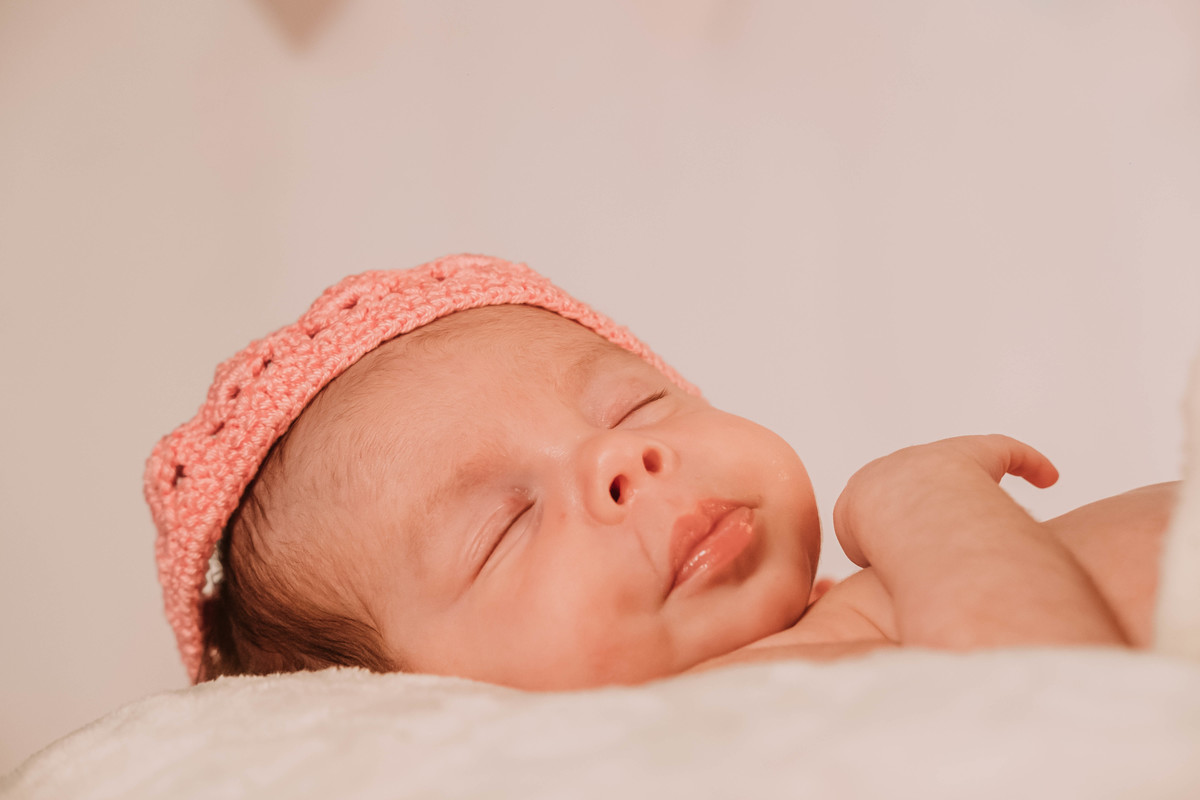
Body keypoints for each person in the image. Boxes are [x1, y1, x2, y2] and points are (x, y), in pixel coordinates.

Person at [145, 255, 1174, 689]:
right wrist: (924, 501)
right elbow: (1053, 702)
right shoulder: (741, 708)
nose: (622, 457)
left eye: (638, 405)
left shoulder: (830, 622)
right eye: (506, 524)